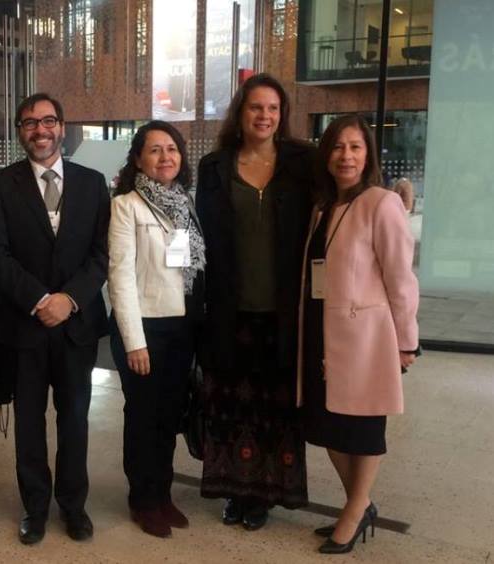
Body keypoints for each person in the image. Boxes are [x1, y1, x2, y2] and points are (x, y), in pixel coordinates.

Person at [0, 93, 109, 545]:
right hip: (23, 325)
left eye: (48, 120)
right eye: (30, 123)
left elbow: (101, 254)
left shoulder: (94, 184)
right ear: (20, 130)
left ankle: (74, 507)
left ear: (62, 125)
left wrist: (69, 299)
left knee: (75, 419)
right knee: (30, 423)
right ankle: (35, 508)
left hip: (77, 327)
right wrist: (40, 299)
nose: (41, 130)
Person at [195, 73, 313, 530]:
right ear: (240, 114)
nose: (264, 116)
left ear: (281, 116)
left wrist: (392, 194)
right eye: (255, 108)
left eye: (273, 109)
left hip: (285, 312)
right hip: (229, 310)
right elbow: (196, 231)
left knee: (275, 406)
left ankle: (264, 494)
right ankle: (234, 491)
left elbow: (349, 183)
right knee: (228, 403)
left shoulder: (303, 162)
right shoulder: (214, 167)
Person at [301, 114, 419, 554]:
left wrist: (406, 340)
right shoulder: (323, 206)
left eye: (355, 147)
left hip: (366, 338)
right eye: (337, 147)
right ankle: (360, 502)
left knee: (364, 426)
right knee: (326, 425)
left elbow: (401, 279)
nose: (345, 155)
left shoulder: (381, 202)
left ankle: (353, 510)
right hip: (320, 330)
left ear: (368, 154)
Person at [108, 121, 205, 538]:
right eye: (155, 150)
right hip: (144, 327)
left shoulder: (185, 202)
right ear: (138, 159)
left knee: (169, 415)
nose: (166, 157)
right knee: (144, 416)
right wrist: (134, 341)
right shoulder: (126, 205)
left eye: (172, 149)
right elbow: (120, 276)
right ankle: (143, 499)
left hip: (182, 326)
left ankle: (163, 494)